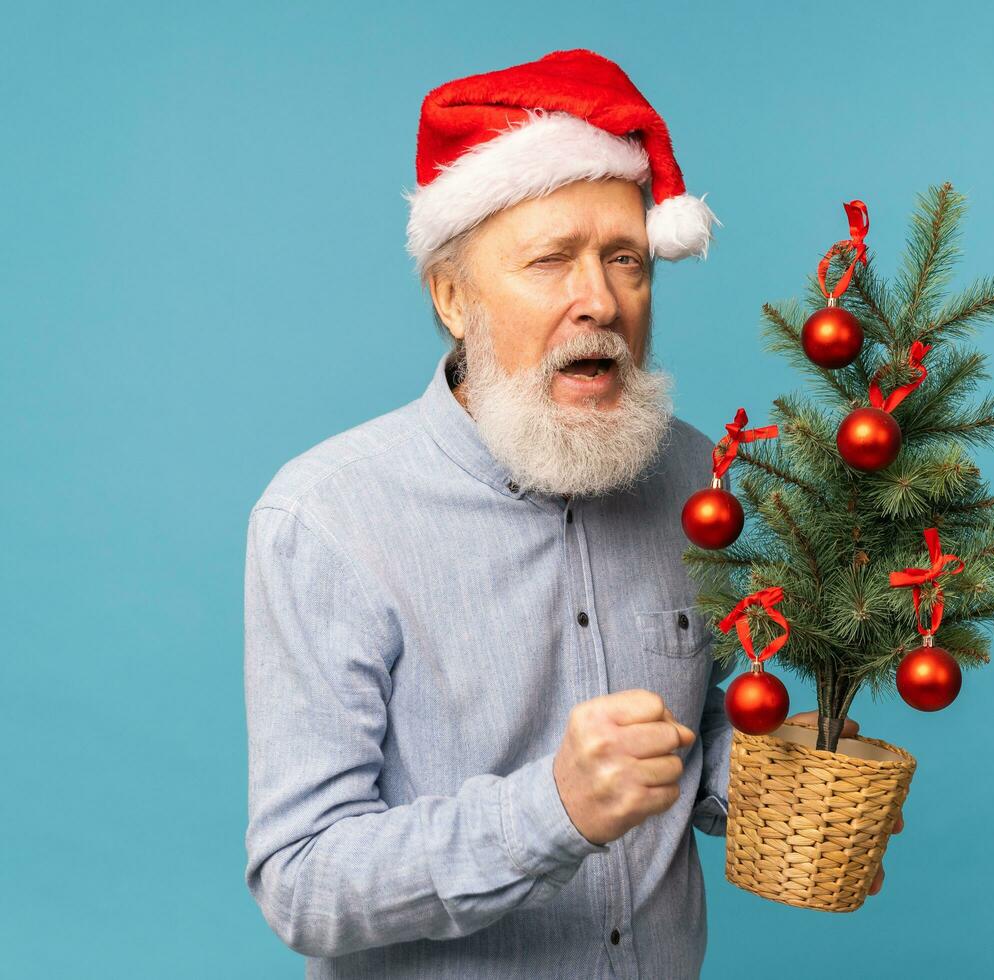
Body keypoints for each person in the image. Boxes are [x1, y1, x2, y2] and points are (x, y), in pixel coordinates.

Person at [242, 48, 887, 979]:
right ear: (454, 296)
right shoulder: (326, 518)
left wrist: (794, 783)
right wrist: (553, 811)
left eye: (626, 260)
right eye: (552, 261)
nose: (602, 301)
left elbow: (697, 740)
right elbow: (302, 881)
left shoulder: (700, 477)